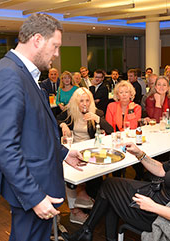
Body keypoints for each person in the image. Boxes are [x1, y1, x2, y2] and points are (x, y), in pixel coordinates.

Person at [0, 13, 83, 241]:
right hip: (32, 188)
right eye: (55, 46)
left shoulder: (22, 72)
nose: (56, 54)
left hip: (38, 182)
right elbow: (5, 146)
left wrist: (64, 153)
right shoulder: (9, 75)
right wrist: (35, 197)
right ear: (37, 39)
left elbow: (36, 130)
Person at [64, 108, 170, 241]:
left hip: (158, 216)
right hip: (160, 198)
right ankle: (87, 232)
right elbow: (162, 170)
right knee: (110, 186)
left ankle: (86, 232)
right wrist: (140, 154)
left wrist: (153, 207)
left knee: (108, 187)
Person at [57, 87, 113, 224]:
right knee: (70, 176)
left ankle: (85, 200)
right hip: (74, 151)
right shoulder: (70, 113)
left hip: (92, 152)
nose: (85, 104)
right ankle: (76, 209)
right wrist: (64, 125)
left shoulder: (97, 112)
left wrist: (97, 119)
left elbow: (110, 130)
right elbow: (56, 119)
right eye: (81, 100)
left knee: (92, 179)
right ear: (76, 102)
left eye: (87, 100)